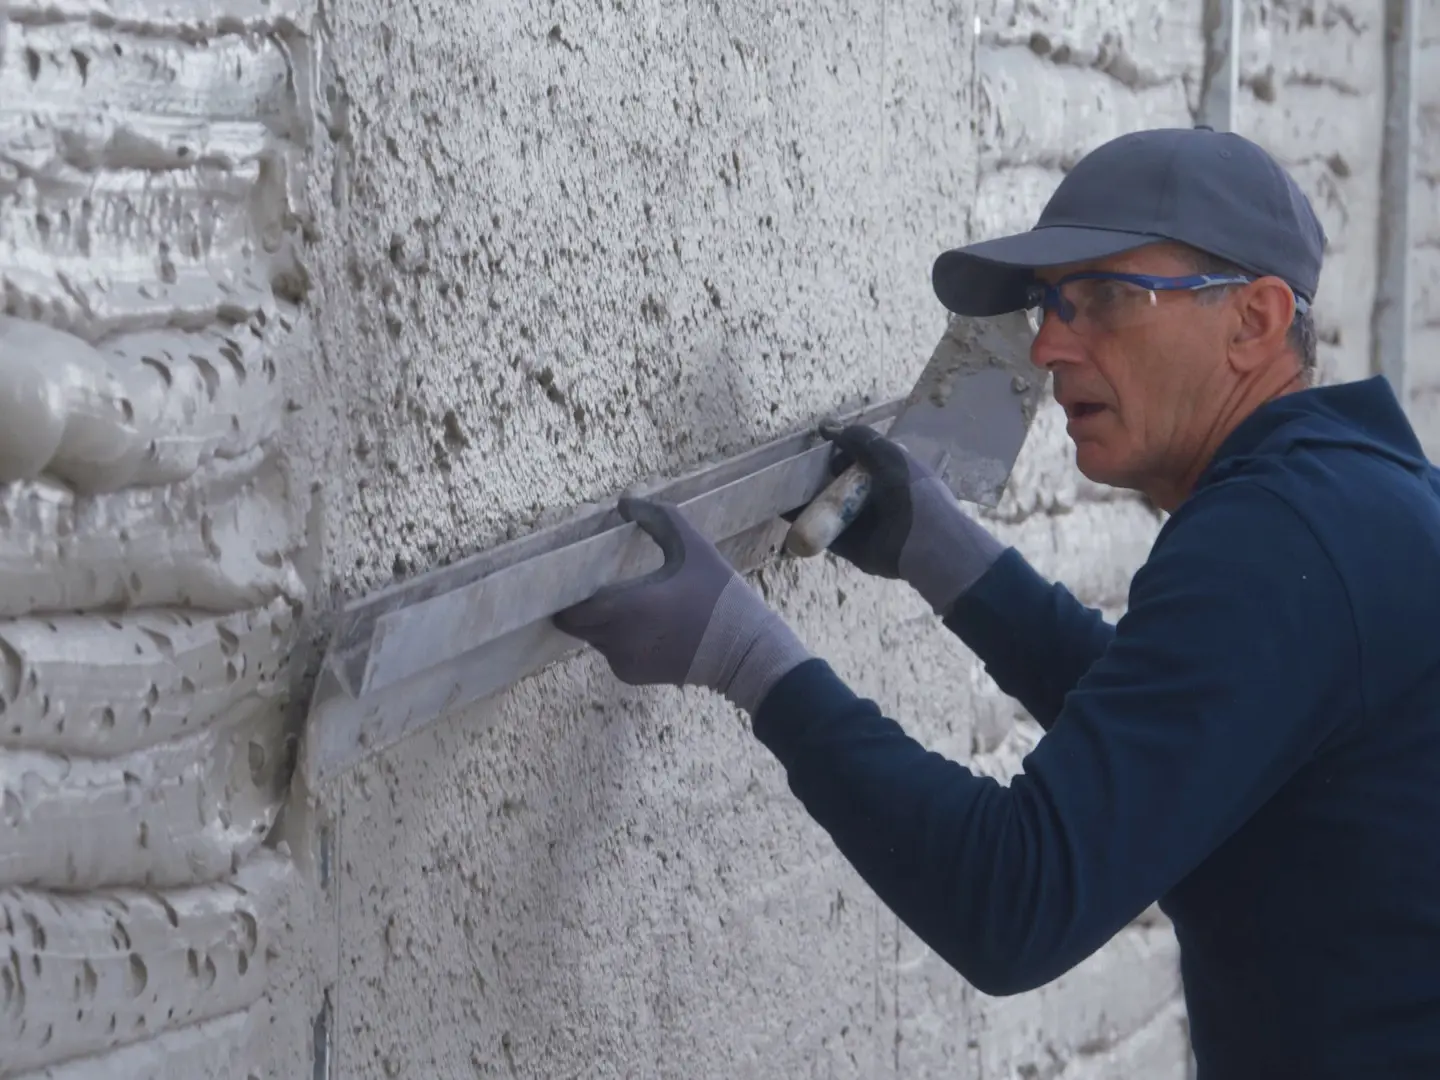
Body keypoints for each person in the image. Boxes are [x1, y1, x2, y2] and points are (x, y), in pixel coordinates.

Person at [551, 126, 1440, 1077]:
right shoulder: (1354, 500)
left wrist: (743, 657)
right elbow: (1183, 731)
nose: (1052, 345)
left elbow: (1012, 902)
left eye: (1104, 298)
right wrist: (952, 560)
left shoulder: (1277, 538)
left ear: (1255, 322)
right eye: (1050, 306)